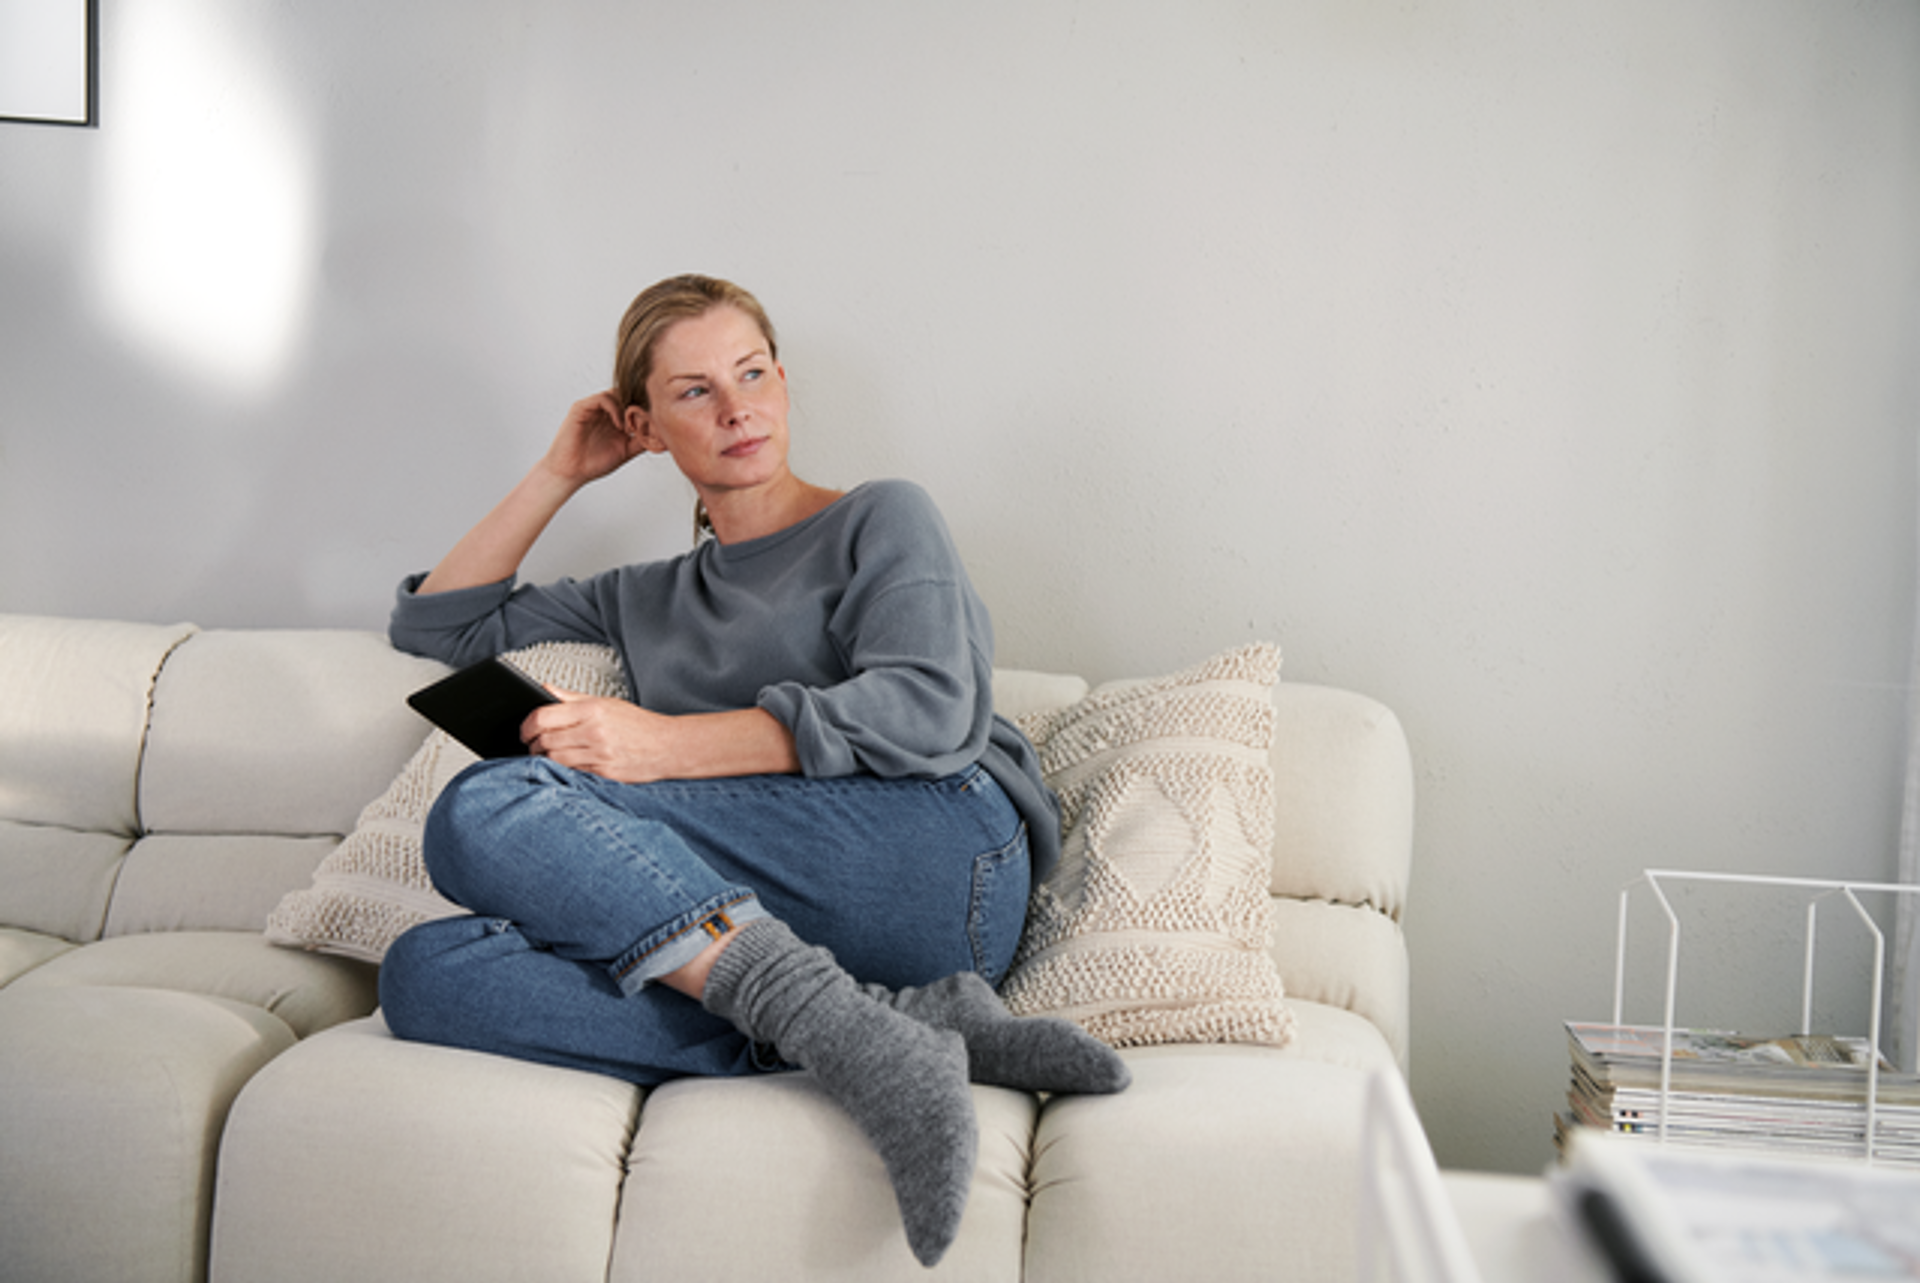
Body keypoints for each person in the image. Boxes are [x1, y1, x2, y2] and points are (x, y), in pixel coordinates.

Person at [377, 274, 1128, 1268]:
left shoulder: (880, 517)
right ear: (644, 426)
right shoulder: (644, 596)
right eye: (694, 392)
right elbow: (440, 624)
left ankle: (852, 1027)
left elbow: (929, 707)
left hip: (941, 854)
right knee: (427, 974)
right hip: (780, 914)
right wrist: (562, 471)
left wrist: (660, 746)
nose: (738, 409)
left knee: (481, 805)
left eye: (753, 372)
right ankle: (880, 1029)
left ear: (781, 380)